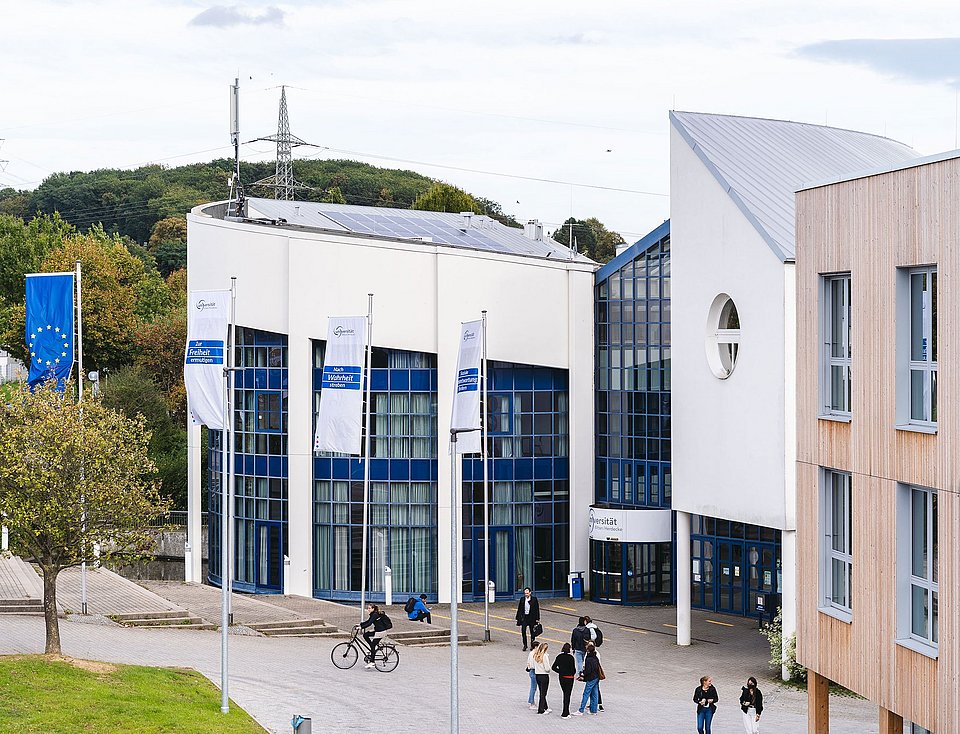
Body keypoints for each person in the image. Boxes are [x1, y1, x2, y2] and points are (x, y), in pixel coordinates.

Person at [572, 642, 601, 716]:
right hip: (596, 677)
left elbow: (588, 670)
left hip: (591, 678)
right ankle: (593, 710)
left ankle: (581, 710)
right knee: (594, 694)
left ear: (587, 651)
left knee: (586, 694)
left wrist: (582, 674)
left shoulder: (589, 659)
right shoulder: (595, 657)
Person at [358, 603, 389, 669]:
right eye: (368, 608)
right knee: (365, 635)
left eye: (369, 608)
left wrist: (361, 627)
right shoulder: (373, 614)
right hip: (377, 630)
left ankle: (372, 662)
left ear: (373, 609)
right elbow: (368, 621)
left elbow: (369, 623)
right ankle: (372, 649)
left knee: (373, 645)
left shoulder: (375, 614)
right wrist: (360, 625)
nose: (368, 609)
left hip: (381, 632)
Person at [551, 642, 577, 719]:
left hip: (562, 677)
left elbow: (553, 667)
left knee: (564, 693)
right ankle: (565, 712)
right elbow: (573, 670)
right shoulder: (571, 658)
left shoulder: (559, 656)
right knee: (567, 695)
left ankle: (566, 711)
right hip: (569, 678)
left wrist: (560, 671)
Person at [584, 616, 605, 711]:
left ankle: (595, 705)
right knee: (595, 689)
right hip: (596, 673)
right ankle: (596, 705)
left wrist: (584, 673)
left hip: (592, 674)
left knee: (590, 691)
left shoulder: (592, 655)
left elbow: (590, 665)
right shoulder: (596, 654)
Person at [526, 642, 552, 714]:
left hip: (537, 674)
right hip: (543, 674)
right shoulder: (544, 656)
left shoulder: (535, 655)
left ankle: (545, 706)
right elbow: (547, 668)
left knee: (541, 691)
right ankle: (541, 709)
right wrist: (549, 669)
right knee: (543, 692)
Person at [515, 587, 540, 651]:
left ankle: (532, 644)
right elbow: (519, 609)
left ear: (530, 593)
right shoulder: (522, 599)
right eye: (525, 593)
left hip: (531, 617)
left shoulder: (534, 599)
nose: (526, 594)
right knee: (523, 631)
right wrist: (518, 618)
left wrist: (537, 618)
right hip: (525, 617)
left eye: (527, 593)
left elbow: (537, 609)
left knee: (532, 632)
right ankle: (525, 645)